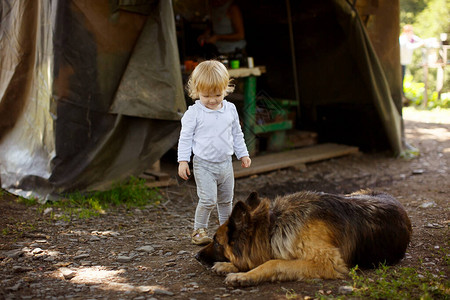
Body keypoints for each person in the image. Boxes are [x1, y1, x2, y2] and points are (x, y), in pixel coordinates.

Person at [177, 60, 251, 245]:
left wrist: (243, 154)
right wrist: (183, 161)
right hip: (204, 165)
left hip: (225, 164)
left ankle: (225, 231)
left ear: (226, 88)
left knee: (226, 200)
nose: (212, 100)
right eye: (206, 95)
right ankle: (198, 231)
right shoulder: (194, 113)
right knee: (208, 199)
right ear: (196, 91)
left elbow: (236, 134)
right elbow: (185, 138)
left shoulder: (230, 110)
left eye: (217, 94)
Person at [399, 24, 423, 94]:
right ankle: (401, 95)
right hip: (400, 63)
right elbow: (409, 47)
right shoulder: (403, 39)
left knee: (402, 79)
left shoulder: (409, 38)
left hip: (403, 62)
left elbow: (417, 39)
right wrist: (420, 44)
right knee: (400, 80)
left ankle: (402, 95)